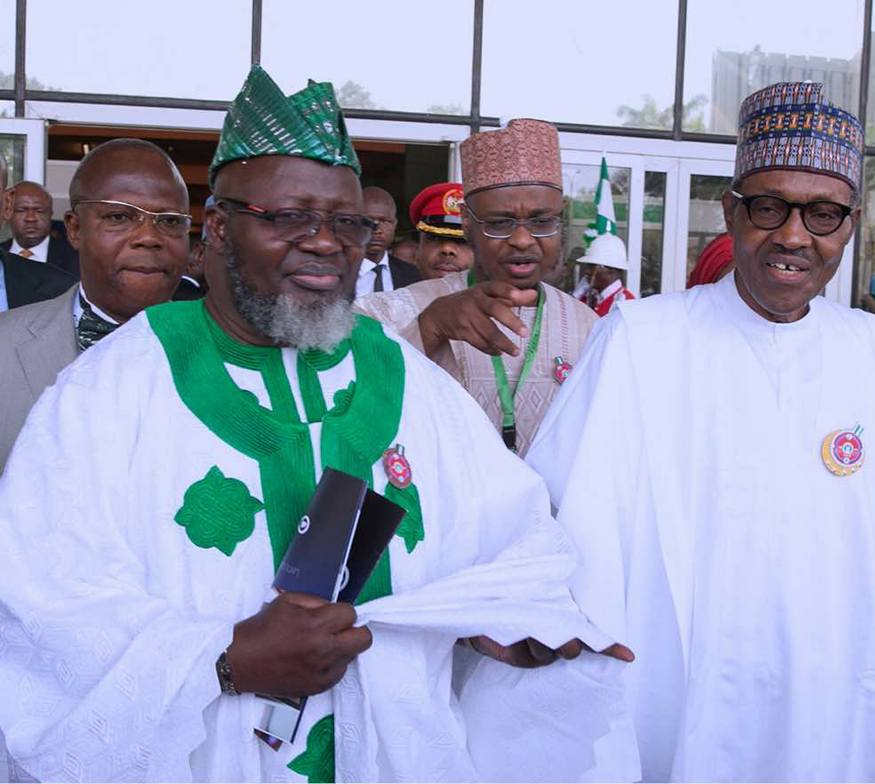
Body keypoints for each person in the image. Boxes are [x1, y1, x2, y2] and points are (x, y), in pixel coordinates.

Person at [0, 66, 634, 783]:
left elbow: (509, 539)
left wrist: (514, 623)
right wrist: (226, 659)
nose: (327, 242)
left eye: (346, 223)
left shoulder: (404, 381)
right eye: (287, 218)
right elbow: (43, 604)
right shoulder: (108, 392)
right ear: (217, 228)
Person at [527, 81, 875, 781]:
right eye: (769, 206)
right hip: (682, 687)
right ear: (732, 211)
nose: (794, 236)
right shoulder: (645, 339)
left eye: (823, 214)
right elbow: (565, 511)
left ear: (849, 226)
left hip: (834, 695)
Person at [357, 119, 597, 455]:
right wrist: (429, 328)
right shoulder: (388, 311)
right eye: (500, 223)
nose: (523, 240)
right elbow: (351, 411)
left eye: (542, 222)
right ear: (468, 224)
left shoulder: (590, 328)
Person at [0, 137, 192, 470]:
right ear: (75, 229)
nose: (148, 236)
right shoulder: (6, 345)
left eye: (170, 220)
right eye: (120, 217)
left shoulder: (236, 360)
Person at [1, 180, 81, 277]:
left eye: (39, 211)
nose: (30, 218)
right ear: (8, 212)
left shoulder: (76, 258)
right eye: (21, 210)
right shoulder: (2, 251)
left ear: (50, 214)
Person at [354, 186, 420, 295]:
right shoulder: (336, 272)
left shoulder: (413, 275)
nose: (377, 230)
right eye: (368, 220)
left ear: (395, 224)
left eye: (385, 221)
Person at [408, 182, 474, 279]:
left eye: (463, 240)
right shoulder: (396, 294)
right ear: (417, 251)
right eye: (434, 238)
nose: (447, 249)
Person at [576, 233, 635, 316]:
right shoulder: (585, 297)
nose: (587, 271)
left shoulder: (626, 304)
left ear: (610, 268)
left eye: (592, 266)